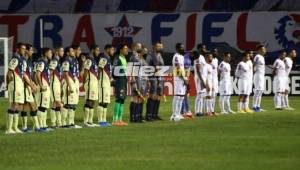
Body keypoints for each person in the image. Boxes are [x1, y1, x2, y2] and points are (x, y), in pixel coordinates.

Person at [5, 43, 27, 134]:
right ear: (17, 49)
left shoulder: (22, 59)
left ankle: (15, 127)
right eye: (22, 49)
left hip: (20, 85)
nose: (24, 50)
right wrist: (8, 84)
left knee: (18, 106)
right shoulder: (15, 59)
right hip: (15, 85)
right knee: (14, 105)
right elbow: (9, 73)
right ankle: (9, 129)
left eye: (25, 49)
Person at [21, 44, 41, 132]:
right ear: (26, 51)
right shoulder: (23, 61)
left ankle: (25, 127)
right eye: (31, 50)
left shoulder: (29, 61)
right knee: (33, 106)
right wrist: (31, 85)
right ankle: (37, 127)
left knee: (25, 106)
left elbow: (29, 75)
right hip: (25, 86)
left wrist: (33, 83)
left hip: (27, 85)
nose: (32, 52)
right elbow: (23, 75)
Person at [61, 47, 82, 128]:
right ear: (67, 53)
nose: (74, 52)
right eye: (72, 51)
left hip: (74, 82)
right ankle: (64, 123)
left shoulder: (74, 60)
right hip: (68, 83)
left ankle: (71, 123)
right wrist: (70, 86)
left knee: (72, 104)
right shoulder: (66, 61)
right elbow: (65, 74)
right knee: (67, 104)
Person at [146, 42, 165, 121]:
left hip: (160, 78)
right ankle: (149, 115)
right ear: (154, 47)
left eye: (161, 46)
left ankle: (155, 114)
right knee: (152, 96)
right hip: (153, 78)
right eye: (158, 46)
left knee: (158, 97)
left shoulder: (160, 55)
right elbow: (147, 67)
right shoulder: (150, 56)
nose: (160, 48)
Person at [82, 44, 100, 127]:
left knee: (92, 101)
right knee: (89, 100)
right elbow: (85, 71)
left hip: (94, 83)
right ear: (92, 50)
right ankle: (86, 121)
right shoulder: (89, 59)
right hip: (90, 83)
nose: (98, 52)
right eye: (97, 50)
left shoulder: (93, 60)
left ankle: (90, 121)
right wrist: (85, 82)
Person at [35, 48, 53, 130]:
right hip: (43, 87)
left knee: (44, 107)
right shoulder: (42, 62)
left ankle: (44, 125)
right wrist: (41, 85)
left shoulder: (45, 62)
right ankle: (40, 126)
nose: (51, 54)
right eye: (49, 52)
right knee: (41, 106)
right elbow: (37, 74)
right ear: (45, 54)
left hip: (46, 86)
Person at [97, 44, 115, 126]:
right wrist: (100, 79)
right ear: (107, 49)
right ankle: (100, 120)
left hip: (107, 82)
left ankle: (104, 120)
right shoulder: (104, 57)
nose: (113, 51)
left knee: (106, 102)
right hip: (103, 82)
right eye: (112, 50)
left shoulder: (108, 58)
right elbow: (99, 68)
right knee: (102, 101)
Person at [112, 44, 129, 126]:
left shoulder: (124, 58)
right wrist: (117, 79)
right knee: (118, 99)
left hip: (124, 80)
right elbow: (114, 72)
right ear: (121, 50)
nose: (127, 50)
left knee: (122, 100)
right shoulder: (117, 58)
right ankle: (115, 120)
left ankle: (120, 120)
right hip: (119, 81)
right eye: (125, 48)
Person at [170, 43, 187, 121]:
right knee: (177, 96)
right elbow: (177, 68)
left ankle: (178, 113)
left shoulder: (182, 57)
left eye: (183, 47)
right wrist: (183, 78)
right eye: (181, 48)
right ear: (177, 49)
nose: (183, 49)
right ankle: (173, 114)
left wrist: (185, 78)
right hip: (178, 78)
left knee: (181, 97)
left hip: (182, 78)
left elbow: (183, 68)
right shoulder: (176, 56)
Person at [49, 46, 64, 128]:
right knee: (59, 103)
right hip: (54, 83)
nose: (63, 52)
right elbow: (50, 71)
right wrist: (48, 81)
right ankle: (60, 122)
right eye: (61, 51)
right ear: (57, 52)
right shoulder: (55, 60)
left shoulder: (58, 61)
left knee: (55, 104)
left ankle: (56, 123)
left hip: (57, 83)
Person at [129, 42, 143, 122]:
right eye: (138, 47)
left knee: (138, 97)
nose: (140, 48)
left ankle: (136, 117)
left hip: (139, 78)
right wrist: (133, 78)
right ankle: (132, 117)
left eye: (140, 47)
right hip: (135, 79)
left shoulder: (138, 57)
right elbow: (131, 69)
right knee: (134, 98)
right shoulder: (133, 57)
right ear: (134, 47)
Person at [252, 44, 266, 112]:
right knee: (257, 90)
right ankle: (254, 106)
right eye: (263, 49)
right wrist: (252, 73)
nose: (265, 50)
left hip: (262, 75)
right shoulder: (257, 56)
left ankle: (258, 106)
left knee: (260, 91)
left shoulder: (262, 57)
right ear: (259, 50)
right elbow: (253, 65)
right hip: (258, 75)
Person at [194, 44, 206, 117]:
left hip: (202, 77)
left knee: (202, 95)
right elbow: (198, 70)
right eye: (203, 48)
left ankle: (200, 111)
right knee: (199, 94)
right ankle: (197, 111)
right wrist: (202, 80)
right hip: (199, 78)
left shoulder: (202, 57)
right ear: (199, 49)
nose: (204, 49)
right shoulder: (197, 57)